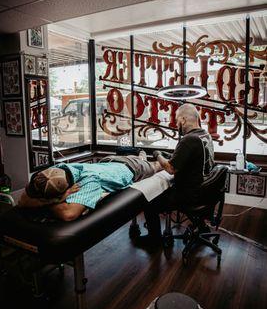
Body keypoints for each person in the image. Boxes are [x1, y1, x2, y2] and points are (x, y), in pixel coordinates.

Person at [135, 103, 215, 247]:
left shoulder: (188, 140)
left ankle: (154, 240)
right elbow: (191, 159)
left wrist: (158, 154)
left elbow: (171, 168)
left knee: (149, 202)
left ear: (183, 119)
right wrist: (173, 156)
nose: (177, 124)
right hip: (204, 191)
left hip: (189, 195)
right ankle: (202, 227)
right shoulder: (205, 135)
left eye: (177, 120)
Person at [18, 151, 163, 222]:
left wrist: (49, 201)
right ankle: (141, 155)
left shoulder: (90, 182)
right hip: (108, 162)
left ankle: (147, 158)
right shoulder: (59, 169)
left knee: (156, 166)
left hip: (132, 167)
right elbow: (22, 200)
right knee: (140, 158)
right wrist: (54, 200)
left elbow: (68, 214)